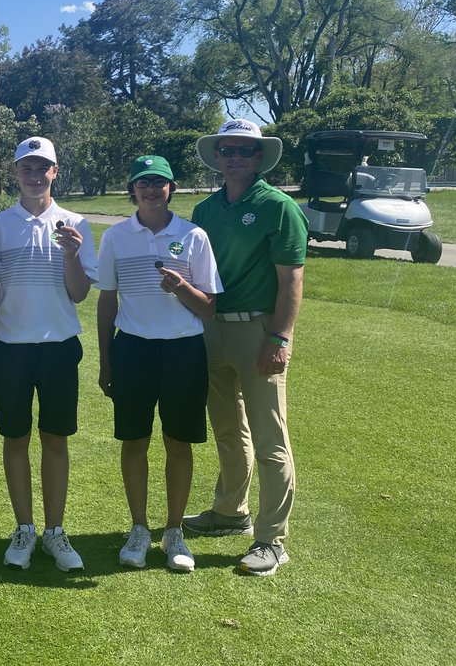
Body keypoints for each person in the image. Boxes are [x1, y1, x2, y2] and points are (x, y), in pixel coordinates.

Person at [184, 119, 307, 576]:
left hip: (258, 330)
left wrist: (280, 337)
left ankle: (272, 538)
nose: (235, 157)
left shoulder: (278, 207)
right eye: (227, 149)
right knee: (227, 428)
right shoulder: (206, 210)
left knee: (270, 436)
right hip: (210, 326)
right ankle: (230, 512)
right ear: (217, 157)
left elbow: (290, 278)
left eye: (245, 150)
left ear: (259, 158)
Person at [96, 155, 221, 572]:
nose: (151, 190)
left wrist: (181, 286)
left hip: (183, 351)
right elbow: (107, 299)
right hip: (132, 349)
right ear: (132, 189)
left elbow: (207, 308)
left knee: (178, 442)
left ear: (173, 188)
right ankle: (138, 529)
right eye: (142, 183)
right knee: (134, 441)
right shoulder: (115, 237)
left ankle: (173, 532)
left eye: (159, 183)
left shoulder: (193, 236)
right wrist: (106, 359)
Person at [0, 137, 97, 573]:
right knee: (16, 439)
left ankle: (55, 531)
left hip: (60, 345)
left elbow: (80, 293)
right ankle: (24, 528)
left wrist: (72, 253)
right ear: (16, 173)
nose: (34, 176)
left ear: (55, 171)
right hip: (11, 349)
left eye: (42, 168)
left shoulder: (76, 222)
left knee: (55, 438)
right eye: (26, 169)